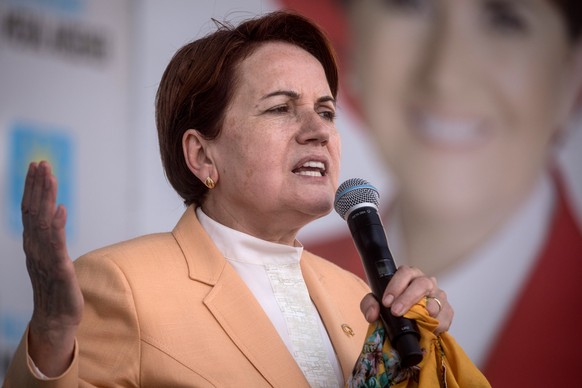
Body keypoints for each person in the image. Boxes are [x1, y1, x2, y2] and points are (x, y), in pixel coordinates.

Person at [2, 11, 489, 387]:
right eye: (281, 108)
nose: (318, 130)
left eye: (326, 111)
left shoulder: (358, 299)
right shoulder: (122, 284)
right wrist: (51, 340)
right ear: (202, 155)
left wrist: (430, 353)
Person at [302, 0, 582, 386]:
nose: (446, 76)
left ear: (572, 71)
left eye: (505, 19)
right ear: (348, 39)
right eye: (408, 5)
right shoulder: (284, 289)